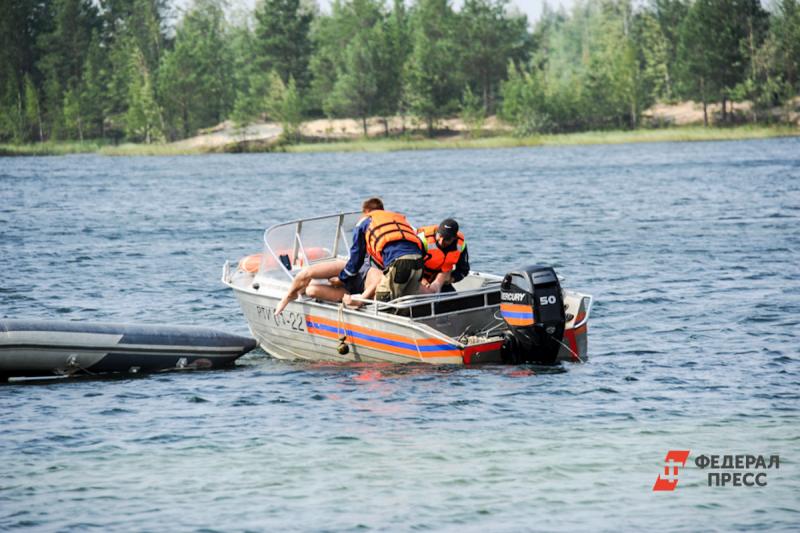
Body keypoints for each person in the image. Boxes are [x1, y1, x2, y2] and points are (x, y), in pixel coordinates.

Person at [339, 198, 425, 305]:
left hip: (400, 262)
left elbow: (357, 257)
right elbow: (419, 241)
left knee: (382, 302)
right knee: (408, 302)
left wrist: (342, 278)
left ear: (366, 211)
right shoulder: (397, 218)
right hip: (419, 261)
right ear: (382, 209)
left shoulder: (365, 221)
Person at [417, 218, 469, 293]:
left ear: (454, 238)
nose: (441, 241)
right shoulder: (422, 240)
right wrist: (421, 280)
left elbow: (463, 270)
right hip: (418, 279)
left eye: (447, 239)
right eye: (440, 236)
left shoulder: (461, 245)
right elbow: (409, 266)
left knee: (453, 302)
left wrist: (451, 279)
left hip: (442, 280)